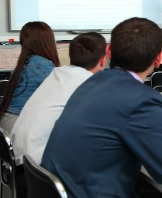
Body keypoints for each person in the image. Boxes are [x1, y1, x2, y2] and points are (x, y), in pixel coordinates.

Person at [41, 17, 162, 197]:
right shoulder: (142, 100)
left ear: (108, 51)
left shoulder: (94, 82)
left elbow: (109, 140)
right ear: (158, 59)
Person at [10, 32, 107, 166]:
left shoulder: (58, 74)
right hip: (37, 169)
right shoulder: (87, 84)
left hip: (22, 159)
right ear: (103, 60)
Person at [0, 21, 60, 133]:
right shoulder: (43, 65)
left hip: (7, 122)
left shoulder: (26, 62)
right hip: (19, 125)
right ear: (48, 41)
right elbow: (64, 94)